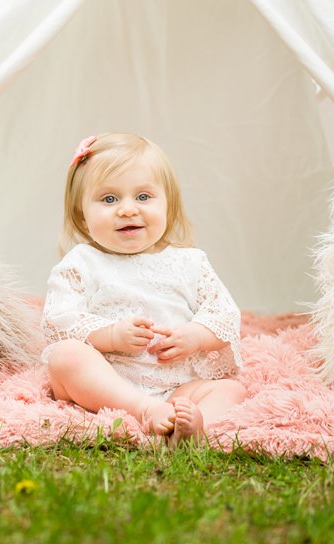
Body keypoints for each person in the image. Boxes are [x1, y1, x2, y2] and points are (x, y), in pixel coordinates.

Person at [41, 133, 246, 444]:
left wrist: (194, 336)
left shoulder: (190, 262)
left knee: (232, 390)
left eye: (143, 197)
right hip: (109, 381)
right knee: (65, 356)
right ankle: (143, 409)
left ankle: (192, 431)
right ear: (82, 213)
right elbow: (59, 319)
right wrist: (110, 335)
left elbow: (224, 314)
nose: (127, 210)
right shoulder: (82, 262)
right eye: (109, 199)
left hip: (176, 382)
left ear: (168, 204)